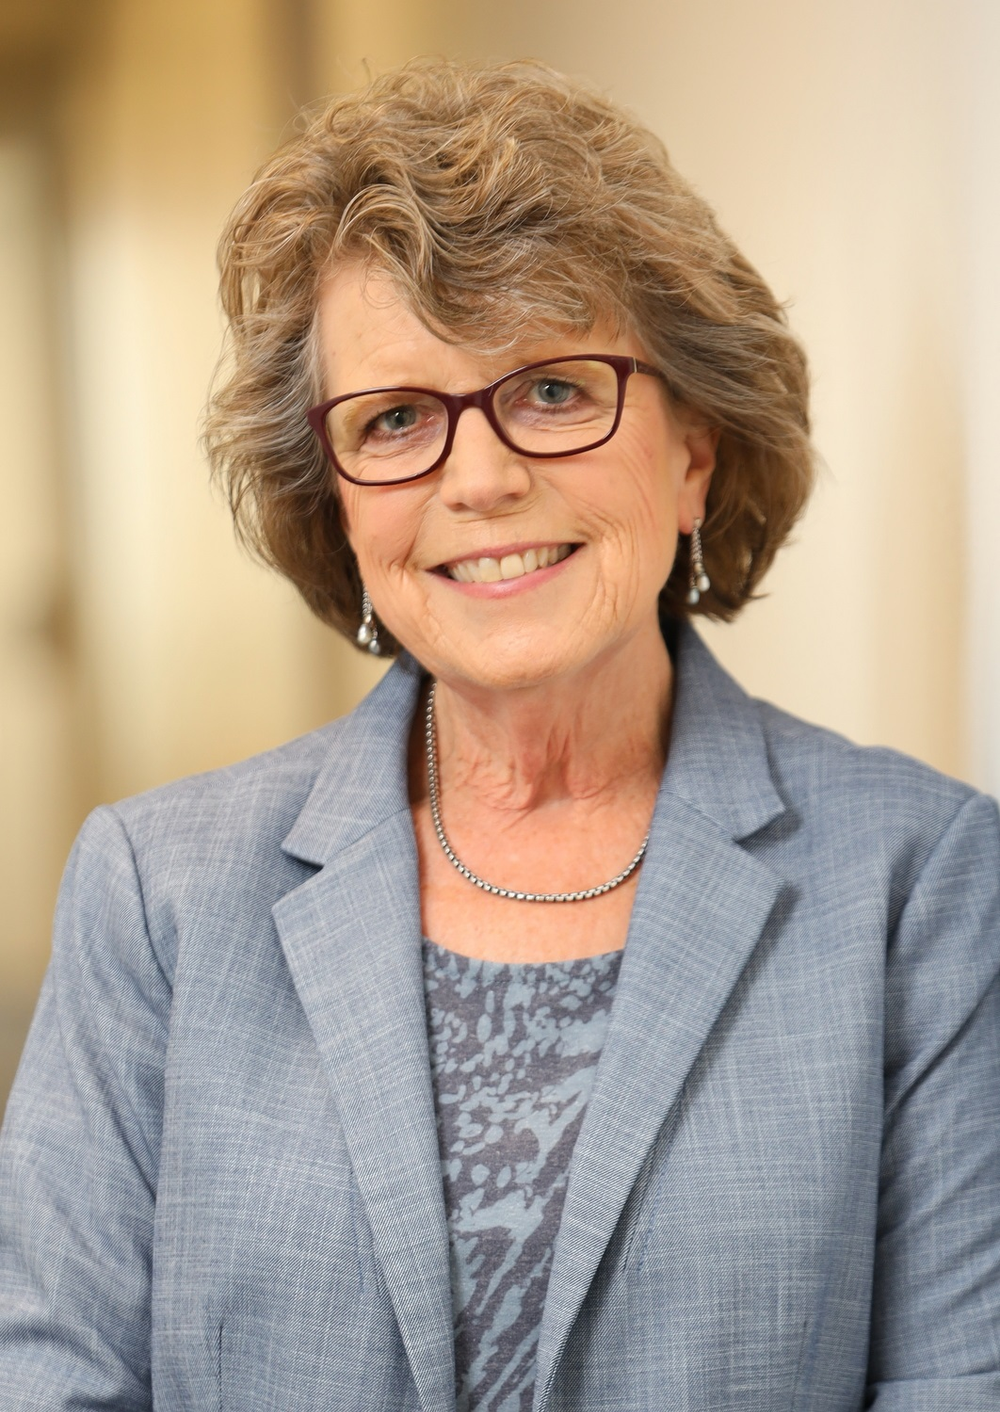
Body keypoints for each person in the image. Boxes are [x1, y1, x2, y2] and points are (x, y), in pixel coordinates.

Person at [1, 57, 998, 1412]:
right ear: (339, 503)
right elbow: (47, 1378)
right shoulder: (156, 894)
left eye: (551, 390)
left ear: (693, 449)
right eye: (396, 420)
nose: (479, 479)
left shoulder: (925, 883)